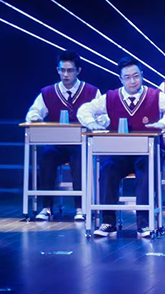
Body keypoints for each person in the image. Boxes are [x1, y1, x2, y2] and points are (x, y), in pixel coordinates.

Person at [77, 57, 165, 237]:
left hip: (147, 153)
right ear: (121, 79)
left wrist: (163, 123)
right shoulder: (111, 97)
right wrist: (92, 124)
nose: (132, 81)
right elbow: (84, 110)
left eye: (136, 76)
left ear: (142, 75)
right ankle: (108, 222)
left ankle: (144, 223)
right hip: (119, 153)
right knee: (107, 169)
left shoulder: (154, 96)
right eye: (127, 77)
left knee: (146, 171)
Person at [24, 50, 101, 221]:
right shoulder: (48, 92)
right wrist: (35, 117)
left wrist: (97, 122)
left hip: (81, 144)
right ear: (57, 70)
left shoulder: (92, 92)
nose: (65, 75)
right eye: (62, 70)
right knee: (46, 157)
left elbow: (103, 116)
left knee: (80, 159)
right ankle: (46, 207)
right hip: (56, 143)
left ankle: (80, 207)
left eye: (70, 70)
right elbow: (33, 112)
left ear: (78, 71)